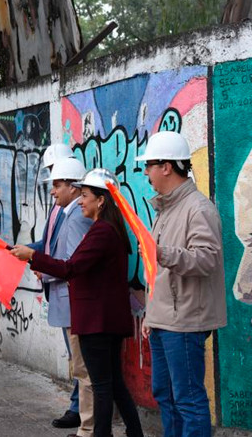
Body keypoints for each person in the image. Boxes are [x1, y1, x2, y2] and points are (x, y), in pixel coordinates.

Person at [11, 168, 144, 437]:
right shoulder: (107, 230)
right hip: (105, 320)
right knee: (114, 383)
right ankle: (134, 432)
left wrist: (32, 257)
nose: (80, 201)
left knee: (103, 385)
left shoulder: (102, 232)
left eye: (84, 195)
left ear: (101, 200)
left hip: (97, 322)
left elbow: (71, 267)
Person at [136, 131, 226, 437]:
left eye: (149, 165)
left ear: (167, 167)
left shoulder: (198, 208)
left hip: (186, 322)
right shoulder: (167, 208)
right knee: (166, 396)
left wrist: (161, 252)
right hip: (164, 321)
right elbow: (160, 273)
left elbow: (207, 259)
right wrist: (151, 314)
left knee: (188, 400)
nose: (146, 172)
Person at [28, 143, 87, 431]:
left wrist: (42, 267)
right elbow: (49, 244)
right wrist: (26, 251)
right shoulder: (58, 208)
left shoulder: (76, 214)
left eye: (57, 178)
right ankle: (82, 412)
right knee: (78, 360)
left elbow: (69, 261)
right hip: (62, 294)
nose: (52, 186)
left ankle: (83, 414)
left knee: (82, 363)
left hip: (71, 296)